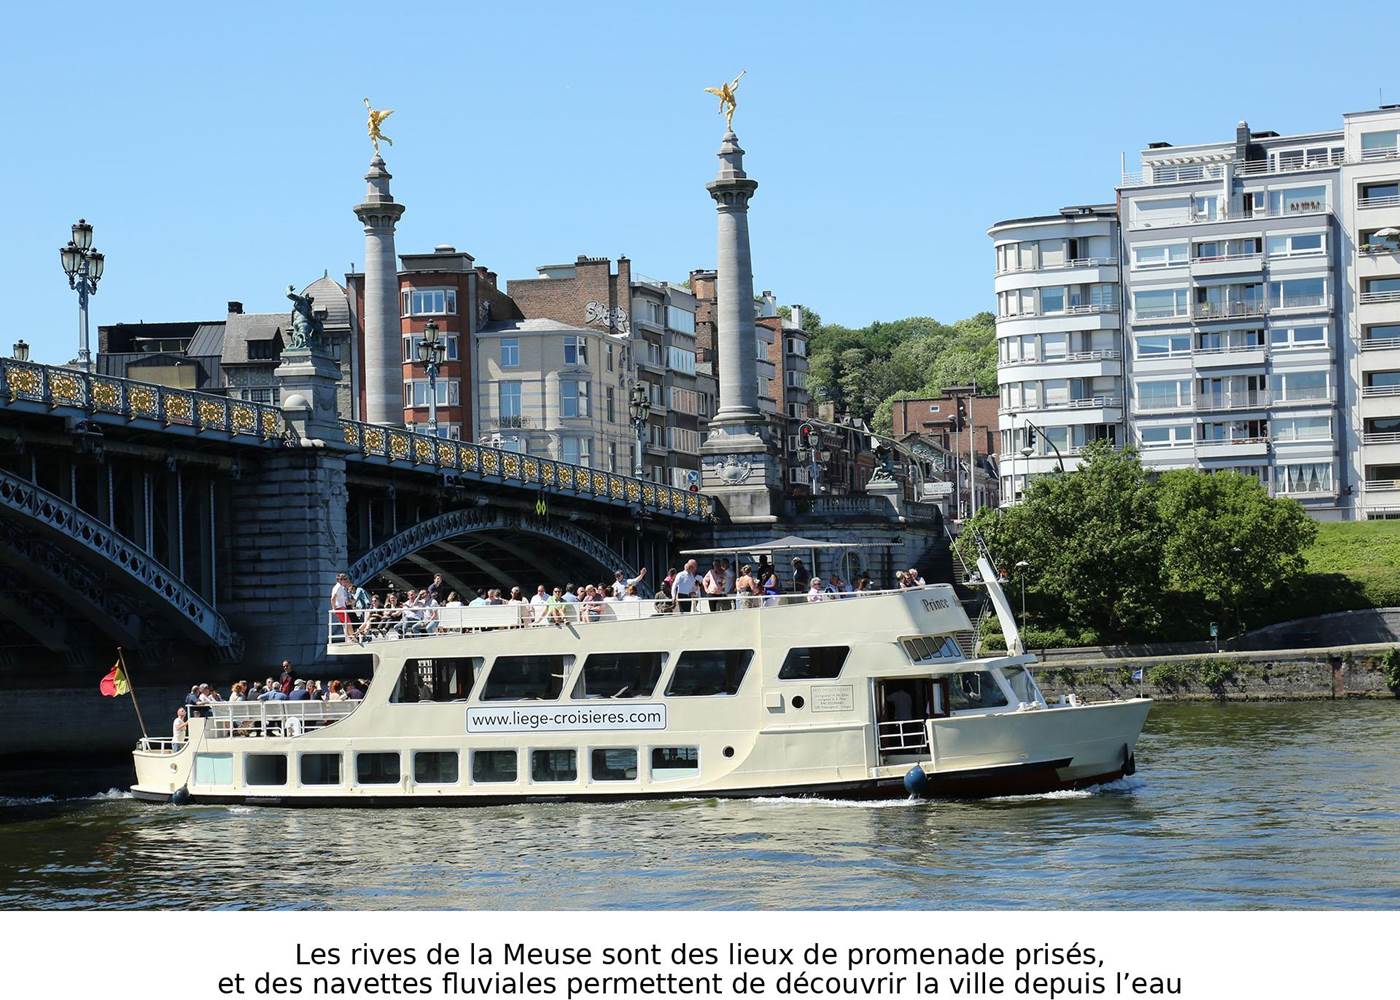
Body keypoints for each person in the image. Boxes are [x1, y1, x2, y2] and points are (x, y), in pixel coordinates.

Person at [330, 572, 353, 642]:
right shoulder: (339, 587)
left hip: (340, 608)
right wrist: (334, 608)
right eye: (344, 579)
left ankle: (348, 639)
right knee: (348, 623)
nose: (346, 581)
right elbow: (333, 598)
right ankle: (353, 638)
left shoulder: (339, 587)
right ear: (340, 580)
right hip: (340, 608)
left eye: (346, 579)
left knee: (345, 624)